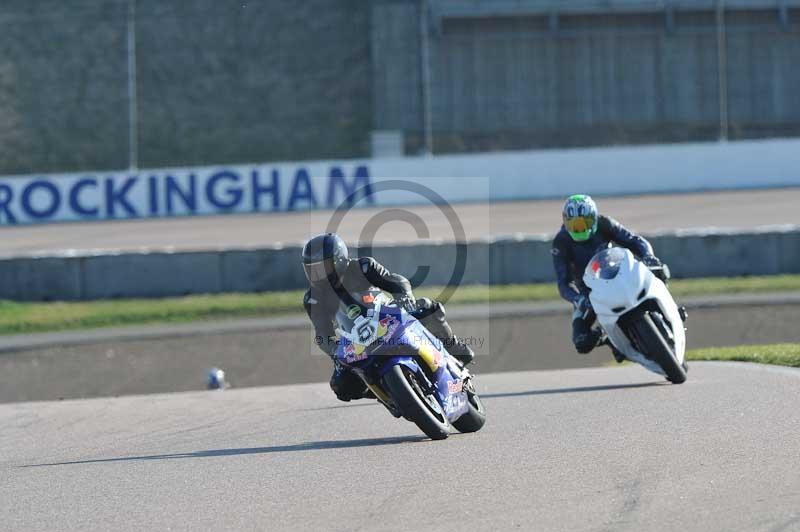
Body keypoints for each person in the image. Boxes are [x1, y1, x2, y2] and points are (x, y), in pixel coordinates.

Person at [302, 233, 475, 402]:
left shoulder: (363, 267)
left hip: (389, 317)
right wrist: (334, 351)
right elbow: (322, 333)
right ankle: (389, 391)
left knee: (429, 308)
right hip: (357, 340)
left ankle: (452, 347)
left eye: (322, 268)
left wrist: (405, 298)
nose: (318, 275)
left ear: (338, 260)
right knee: (341, 387)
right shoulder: (313, 298)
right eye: (312, 270)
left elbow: (396, 281)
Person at [551, 194, 665, 360]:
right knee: (581, 342)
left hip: (618, 275)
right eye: (574, 225)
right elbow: (563, 283)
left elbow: (635, 241)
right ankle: (609, 337)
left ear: (594, 218)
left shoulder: (605, 223)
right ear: (565, 222)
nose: (580, 229)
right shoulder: (560, 242)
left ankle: (666, 307)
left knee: (658, 271)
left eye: (585, 223)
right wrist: (578, 299)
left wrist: (648, 256)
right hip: (588, 293)